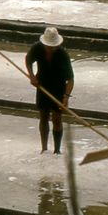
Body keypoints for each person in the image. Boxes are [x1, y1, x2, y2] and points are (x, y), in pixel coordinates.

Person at [25, 26, 74, 154]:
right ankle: (44, 148)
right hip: (42, 85)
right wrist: (31, 76)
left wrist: (66, 97)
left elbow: (70, 79)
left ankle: (57, 150)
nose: (50, 48)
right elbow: (28, 60)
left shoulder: (63, 55)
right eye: (48, 46)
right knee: (43, 116)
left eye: (53, 46)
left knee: (57, 118)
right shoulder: (37, 48)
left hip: (58, 87)